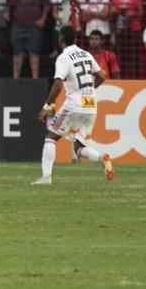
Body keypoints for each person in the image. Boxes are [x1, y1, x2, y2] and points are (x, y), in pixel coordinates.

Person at [33, 25, 113, 185]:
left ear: (61, 38)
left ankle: (46, 178)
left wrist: (47, 106)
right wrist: (88, 90)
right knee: (79, 147)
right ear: (75, 39)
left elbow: (57, 84)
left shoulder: (64, 57)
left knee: (51, 137)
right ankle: (102, 158)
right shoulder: (86, 54)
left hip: (74, 104)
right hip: (90, 104)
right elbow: (102, 76)